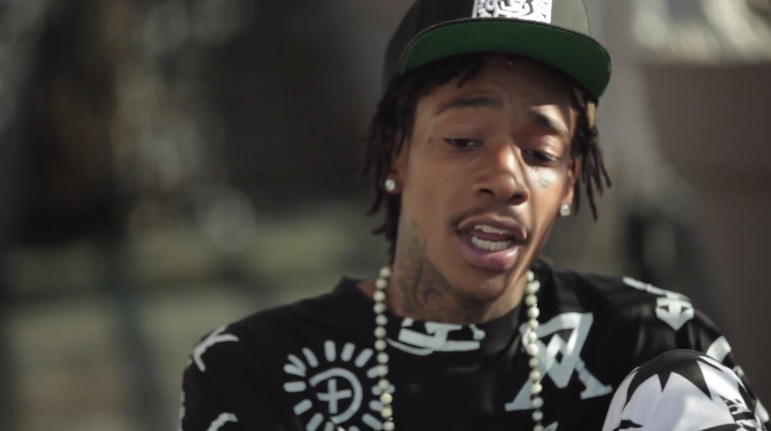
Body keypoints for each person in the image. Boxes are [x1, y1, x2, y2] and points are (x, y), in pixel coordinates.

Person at [179, 0, 768, 430]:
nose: (506, 179)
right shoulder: (253, 370)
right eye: (463, 139)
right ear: (396, 153)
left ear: (570, 182)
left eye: (541, 152)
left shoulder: (653, 344)